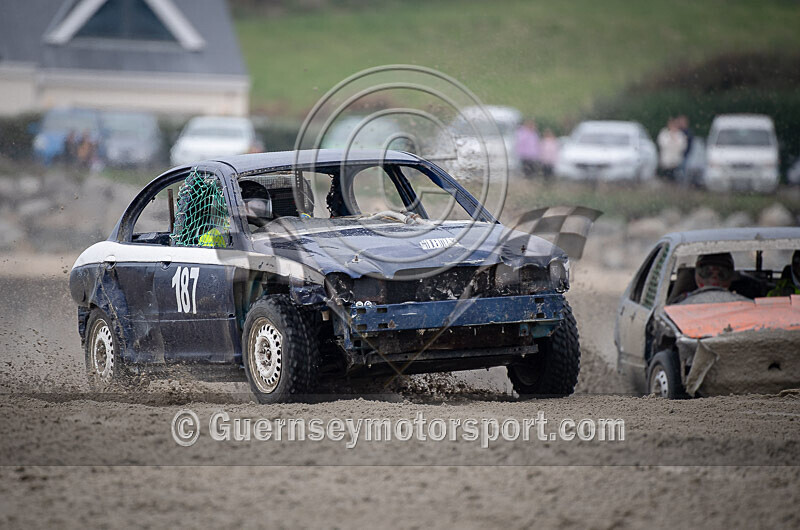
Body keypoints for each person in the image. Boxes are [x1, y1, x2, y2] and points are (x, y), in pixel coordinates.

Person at [676, 253, 749, 305]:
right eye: (706, 272)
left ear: (731, 276)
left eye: (722, 273)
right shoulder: (681, 301)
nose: (714, 278)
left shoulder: (744, 304)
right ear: (696, 272)